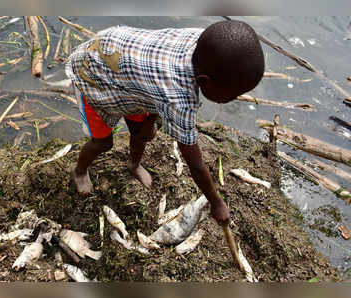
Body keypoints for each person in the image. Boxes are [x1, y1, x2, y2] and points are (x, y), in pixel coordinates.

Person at [65, 20, 265, 225]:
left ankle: (133, 164)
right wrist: (216, 203)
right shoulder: (178, 98)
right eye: (230, 95)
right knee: (103, 143)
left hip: (132, 74)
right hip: (94, 71)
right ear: (204, 81)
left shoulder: (202, 43)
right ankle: (79, 170)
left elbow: (158, 87)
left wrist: (150, 120)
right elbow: (195, 164)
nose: (233, 99)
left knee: (142, 133)